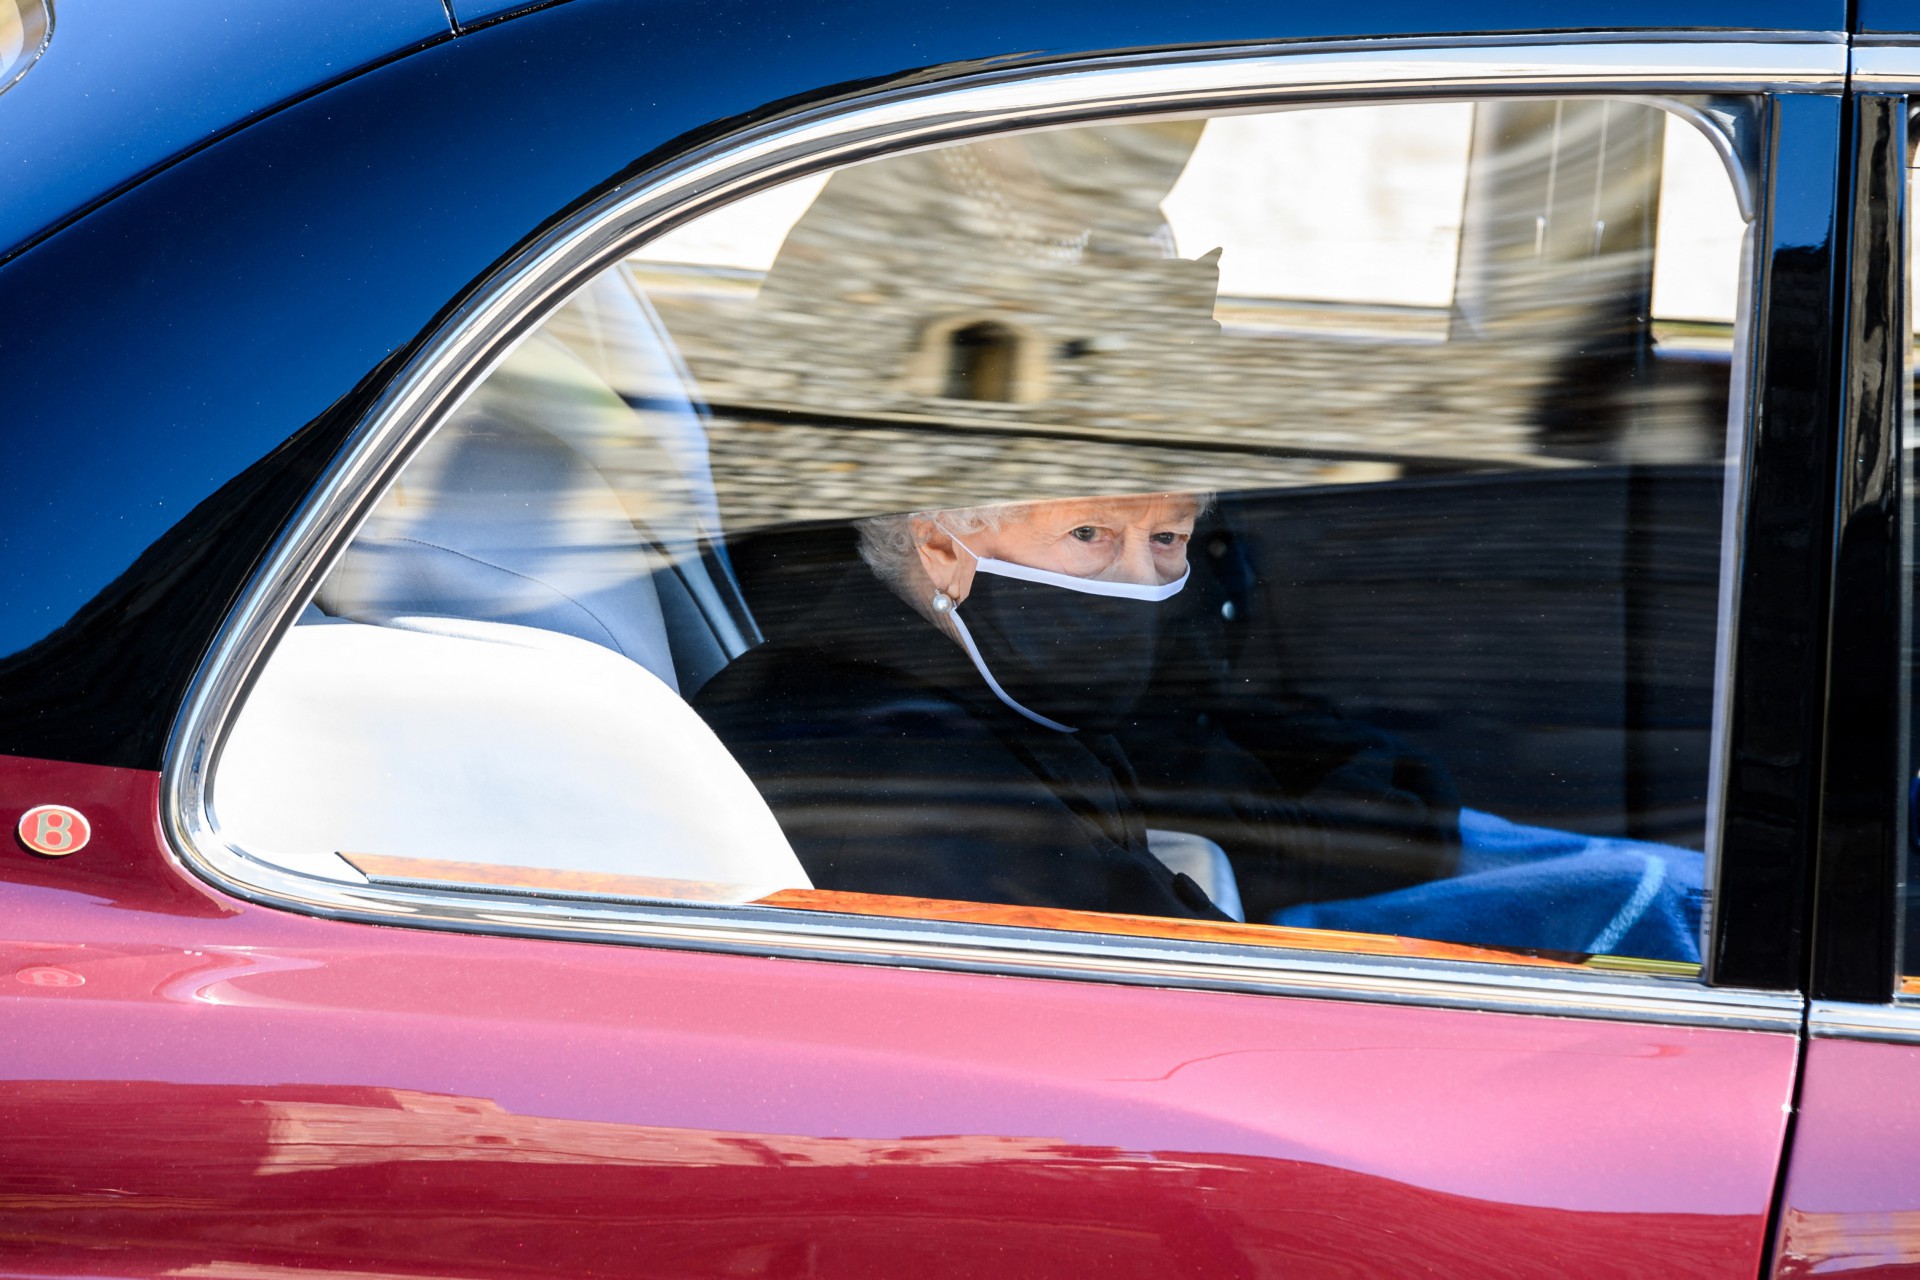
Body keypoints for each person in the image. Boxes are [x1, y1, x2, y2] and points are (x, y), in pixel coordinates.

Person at [691, 490, 1463, 924]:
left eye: (1167, 537)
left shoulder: (1001, 691)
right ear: (939, 548)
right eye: (1088, 532)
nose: (1137, 579)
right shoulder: (904, 772)